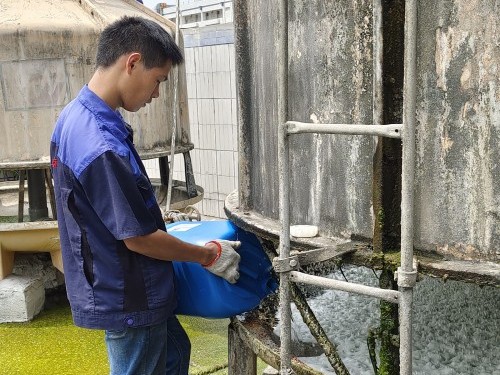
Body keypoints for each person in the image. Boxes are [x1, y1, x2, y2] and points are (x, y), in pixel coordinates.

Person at [50, 16, 241, 375]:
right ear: (132, 63)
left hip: (118, 282)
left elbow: (97, 206)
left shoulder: (74, 118)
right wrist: (207, 255)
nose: (156, 94)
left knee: (173, 353)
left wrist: (158, 218)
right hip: (129, 293)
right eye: (158, 81)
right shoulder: (101, 144)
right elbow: (137, 239)